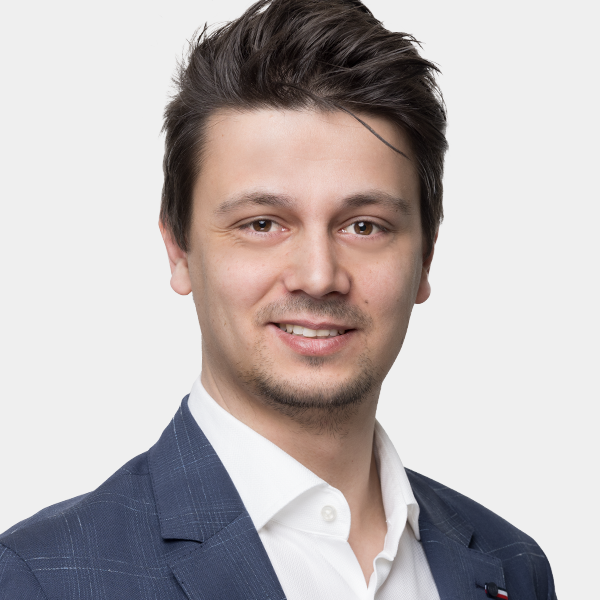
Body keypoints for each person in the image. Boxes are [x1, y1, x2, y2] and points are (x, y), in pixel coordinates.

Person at [0, 0, 557, 598]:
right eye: (262, 224)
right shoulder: (41, 578)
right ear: (179, 249)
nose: (318, 276)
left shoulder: (514, 566)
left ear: (425, 258)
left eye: (364, 226)